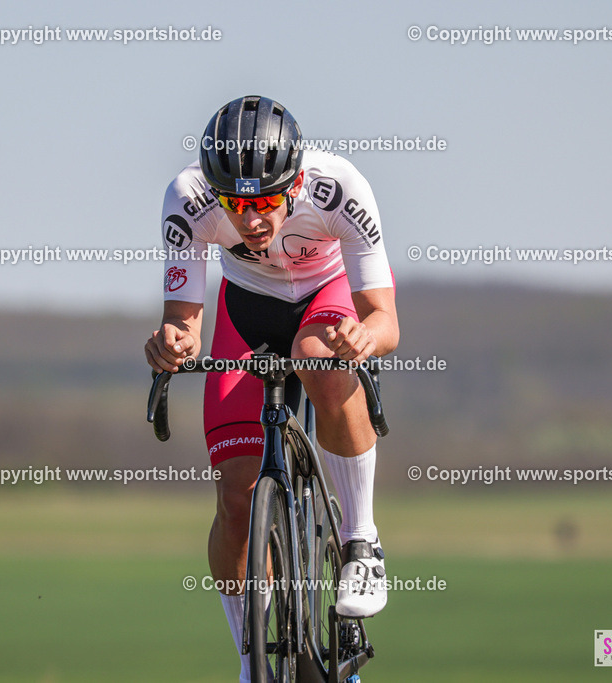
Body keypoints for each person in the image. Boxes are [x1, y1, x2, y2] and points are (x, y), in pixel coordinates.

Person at [144, 95, 398, 682]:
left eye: (265, 203)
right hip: (246, 312)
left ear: (296, 183)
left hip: (325, 301)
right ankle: (249, 657)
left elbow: (384, 319)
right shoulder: (187, 199)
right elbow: (184, 320)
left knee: (316, 356)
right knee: (235, 501)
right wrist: (172, 345)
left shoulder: (339, 188)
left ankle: (361, 543)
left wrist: (363, 340)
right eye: (236, 206)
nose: (252, 220)